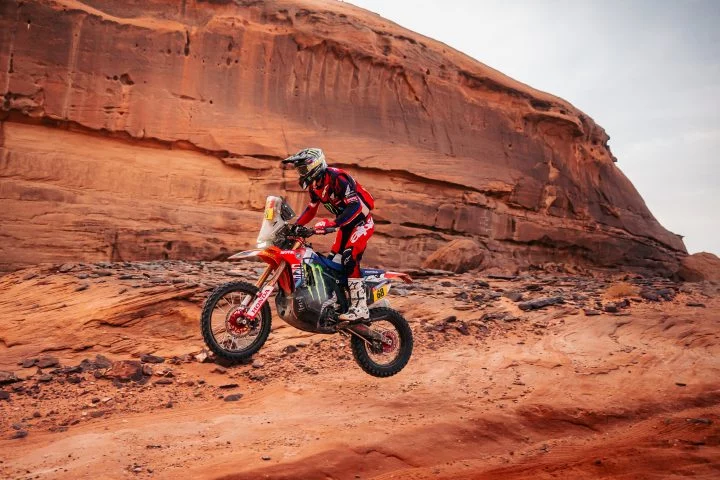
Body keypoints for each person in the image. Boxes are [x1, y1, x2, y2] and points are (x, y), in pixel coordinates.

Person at [282, 148, 375, 321]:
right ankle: (338, 301)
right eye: (299, 170)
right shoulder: (315, 186)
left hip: (362, 223)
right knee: (332, 265)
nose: (300, 173)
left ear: (315, 166)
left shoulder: (338, 178)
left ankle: (360, 307)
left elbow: (356, 207)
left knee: (349, 257)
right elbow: (311, 209)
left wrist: (333, 224)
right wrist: (295, 227)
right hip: (346, 227)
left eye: (303, 169)